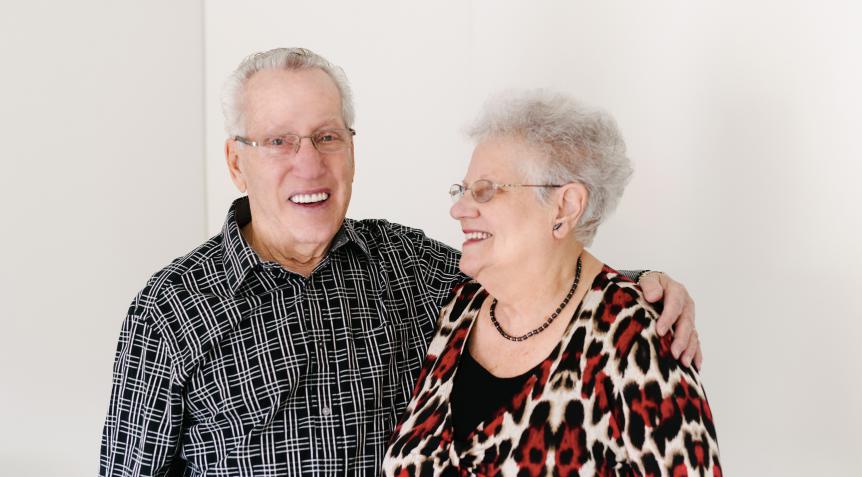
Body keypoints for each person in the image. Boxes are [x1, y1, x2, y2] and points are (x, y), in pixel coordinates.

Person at [100, 48, 702, 476]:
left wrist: (643, 285)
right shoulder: (172, 311)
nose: (308, 164)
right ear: (237, 163)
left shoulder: (410, 267)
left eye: (328, 136)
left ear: (352, 149)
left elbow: (533, 272)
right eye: (279, 141)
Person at [382, 91, 720, 476]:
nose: (458, 209)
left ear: (565, 207)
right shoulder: (458, 309)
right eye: (462, 190)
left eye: (485, 191)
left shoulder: (637, 340)